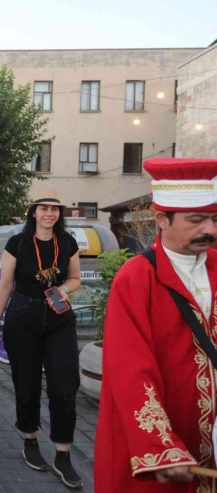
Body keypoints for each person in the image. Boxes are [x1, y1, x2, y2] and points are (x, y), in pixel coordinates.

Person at [95, 158, 217, 492]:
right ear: (162, 219)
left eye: (212, 218)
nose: (210, 230)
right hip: (164, 452)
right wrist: (160, 445)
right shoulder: (136, 278)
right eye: (196, 220)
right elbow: (129, 368)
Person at [0, 188, 82, 489]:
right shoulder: (17, 243)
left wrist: (63, 291)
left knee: (64, 385)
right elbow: (5, 285)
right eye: (43, 208)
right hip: (22, 317)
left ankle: (63, 454)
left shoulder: (67, 242)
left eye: (54, 209)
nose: (49, 214)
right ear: (33, 212)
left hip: (59, 317)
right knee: (26, 383)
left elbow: (74, 278)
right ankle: (30, 439)